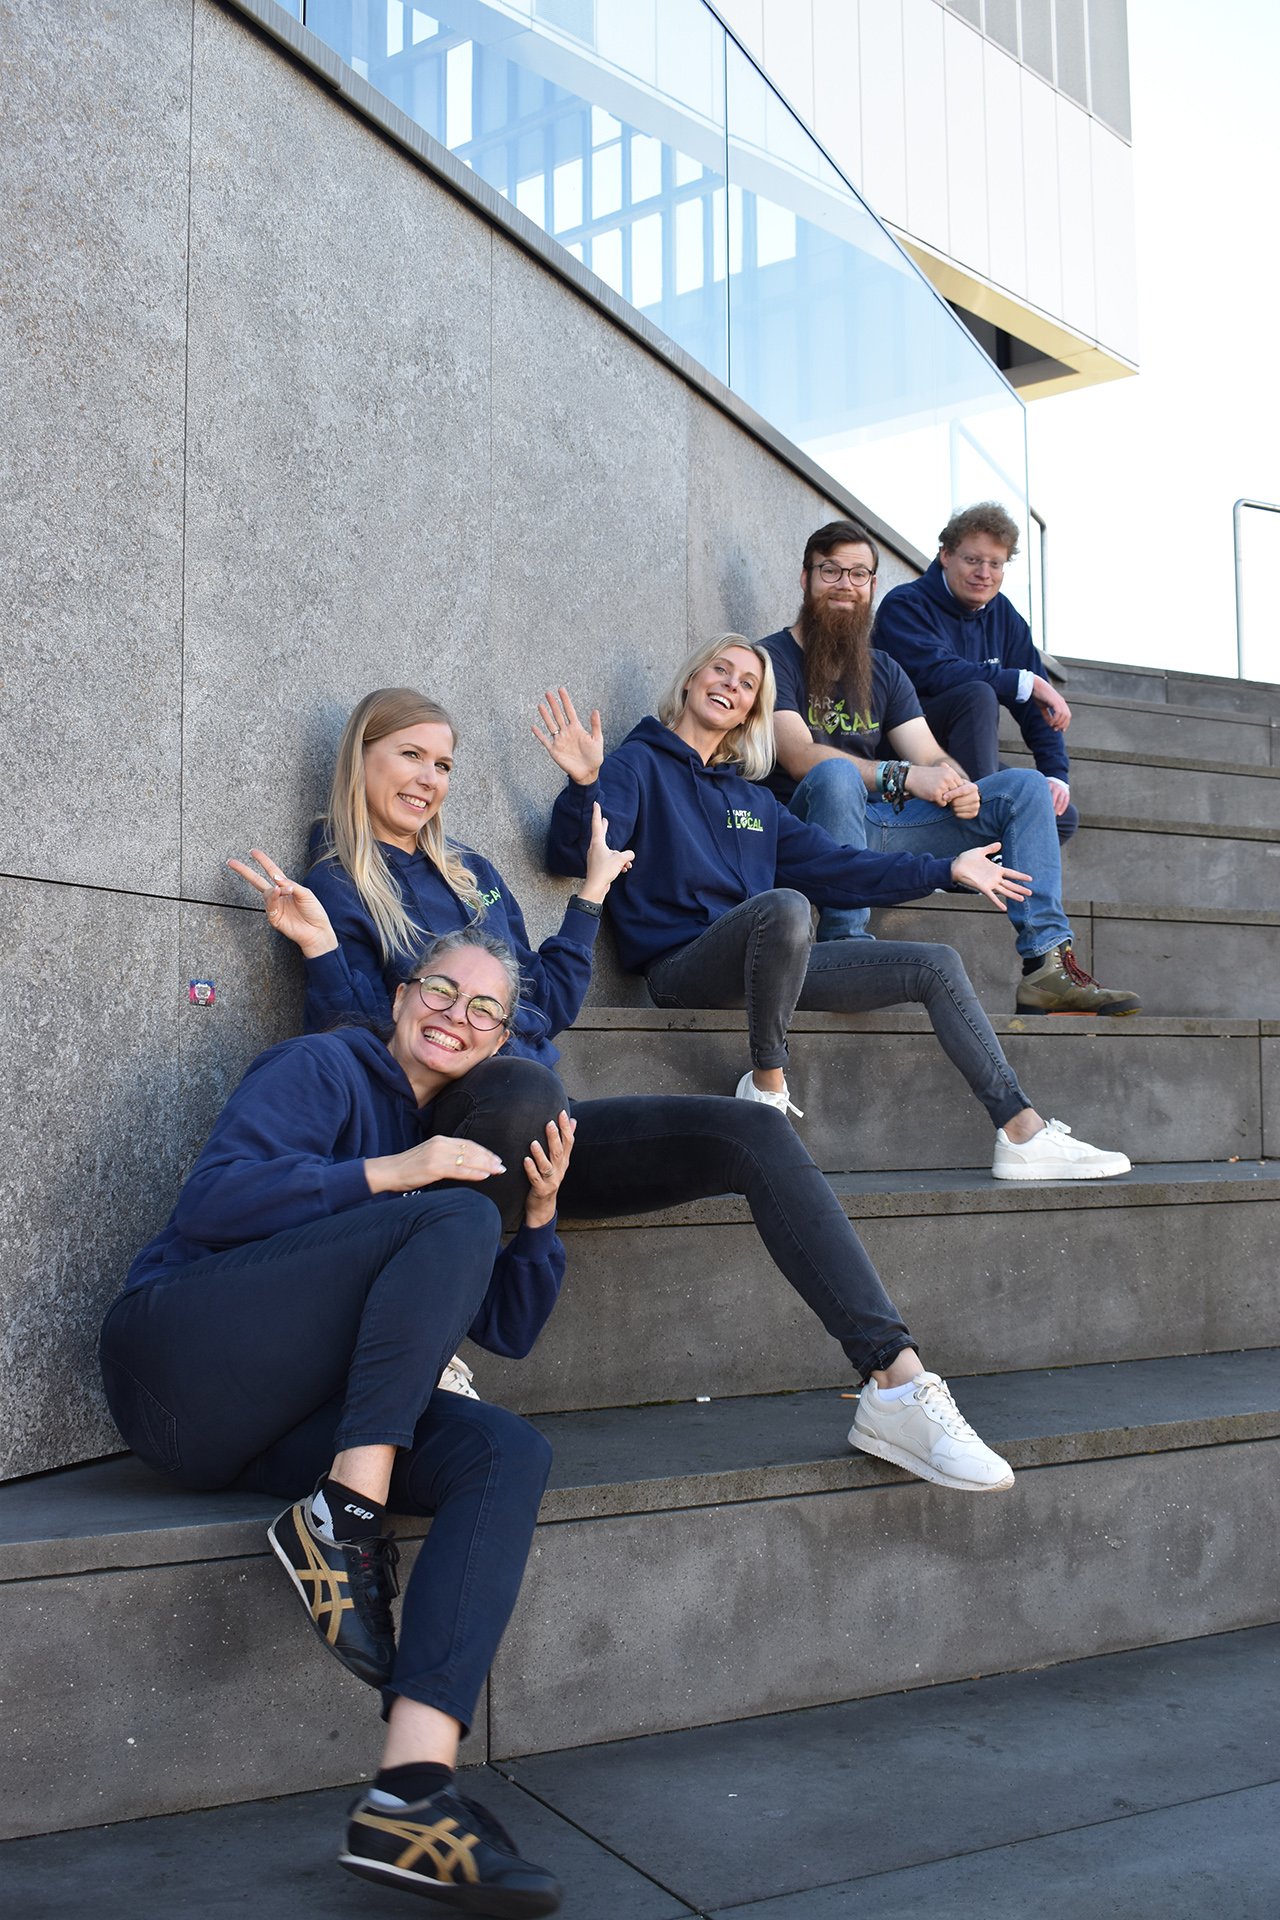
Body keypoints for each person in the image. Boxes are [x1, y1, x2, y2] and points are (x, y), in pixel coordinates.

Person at [232, 686, 1017, 1493]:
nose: (430, 779)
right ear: (360, 756)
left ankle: (896, 1382)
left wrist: (591, 895)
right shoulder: (338, 880)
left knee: (754, 1133)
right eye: (410, 756)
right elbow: (352, 1050)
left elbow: (548, 1001)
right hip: (436, 1142)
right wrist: (325, 954)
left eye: (443, 764)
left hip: (544, 1128)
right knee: (519, 1085)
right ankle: (423, 1345)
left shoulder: (471, 874)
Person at [99, 928, 568, 1914]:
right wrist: (397, 1172)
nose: (458, 1014)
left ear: (497, 1043)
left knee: (506, 1450)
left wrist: (536, 1218)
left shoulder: (462, 1159)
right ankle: (342, 1520)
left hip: (268, 1430)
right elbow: (213, 1200)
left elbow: (509, 1331)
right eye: (442, 989)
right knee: (453, 1217)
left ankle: (411, 1789)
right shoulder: (323, 1066)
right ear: (401, 996)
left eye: (484, 1009)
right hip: (174, 1358)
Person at [540, 641, 1130, 1183]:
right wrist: (587, 783)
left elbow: (844, 867)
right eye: (722, 670)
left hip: (767, 962)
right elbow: (571, 854)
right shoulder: (635, 764)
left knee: (937, 963)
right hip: (681, 968)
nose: (732, 685)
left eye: (747, 683)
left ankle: (1021, 1132)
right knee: (788, 908)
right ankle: (768, 1083)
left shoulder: (752, 801)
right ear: (692, 680)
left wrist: (944, 869)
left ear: (752, 709)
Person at [762, 518, 1142, 1018]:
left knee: (1023, 787)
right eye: (831, 571)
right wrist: (902, 777)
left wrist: (955, 783)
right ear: (805, 577)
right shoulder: (771, 658)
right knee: (834, 776)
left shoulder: (883, 670)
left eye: (859, 575)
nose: (845, 585)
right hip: (811, 832)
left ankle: (1047, 966)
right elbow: (798, 755)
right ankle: (847, 943)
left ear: (873, 585)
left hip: (880, 830)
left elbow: (928, 751)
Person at [874, 502, 1079, 845]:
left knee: (1057, 814)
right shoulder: (906, 605)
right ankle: (976, 835)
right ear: (945, 555)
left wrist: (1056, 773)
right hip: (905, 748)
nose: (984, 572)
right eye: (973, 560)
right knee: (976, 694)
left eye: (995, 564)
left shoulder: (1004, 617)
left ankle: (967, 858)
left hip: (969, 754)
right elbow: (936, 673)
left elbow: (1035, 706)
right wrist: (1020, 681)